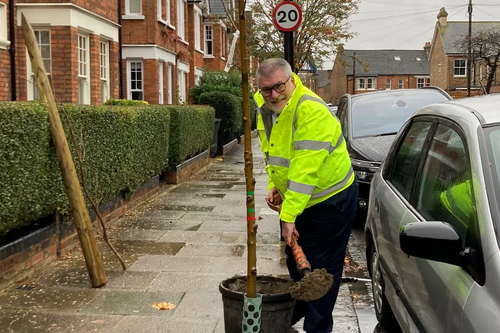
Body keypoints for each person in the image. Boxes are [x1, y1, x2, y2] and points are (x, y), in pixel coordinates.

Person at [254, 58, 358, 333]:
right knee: (296, 260)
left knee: (322, 272)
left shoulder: (311, 111)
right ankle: (294, 316)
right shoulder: (265, 108)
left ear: (292, 80)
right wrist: (277, 187)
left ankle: (317, 328)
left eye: (279, 86)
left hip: (331, 199)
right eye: (267, 90)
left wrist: (288, 216)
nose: (274, 94)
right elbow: (274, 153)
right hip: (301, 197)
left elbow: (305, 169)